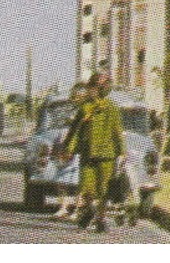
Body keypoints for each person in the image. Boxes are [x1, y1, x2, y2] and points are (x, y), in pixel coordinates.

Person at [62, 72, 124, 232]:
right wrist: (68, 149)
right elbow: (75, 130)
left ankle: (101, 219)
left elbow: (117, 132)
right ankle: (90, 210)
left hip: (107, 155)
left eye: (95, 87)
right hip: (87, 154)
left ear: (102, 89)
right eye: (91, 87)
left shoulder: (112, 108)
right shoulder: (85, 107)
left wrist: (122, 152)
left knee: (104, 190)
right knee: (86, 188)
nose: (91, 90)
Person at [50, 82, 89, 221]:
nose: (76, 98)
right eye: (74, 95)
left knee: (81, 181)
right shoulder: (69, 109)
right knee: (61, 179)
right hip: (65, 144)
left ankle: (78, 209)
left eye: (79, 95)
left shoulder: (88, 109)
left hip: (81, 148)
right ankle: (63, 207)